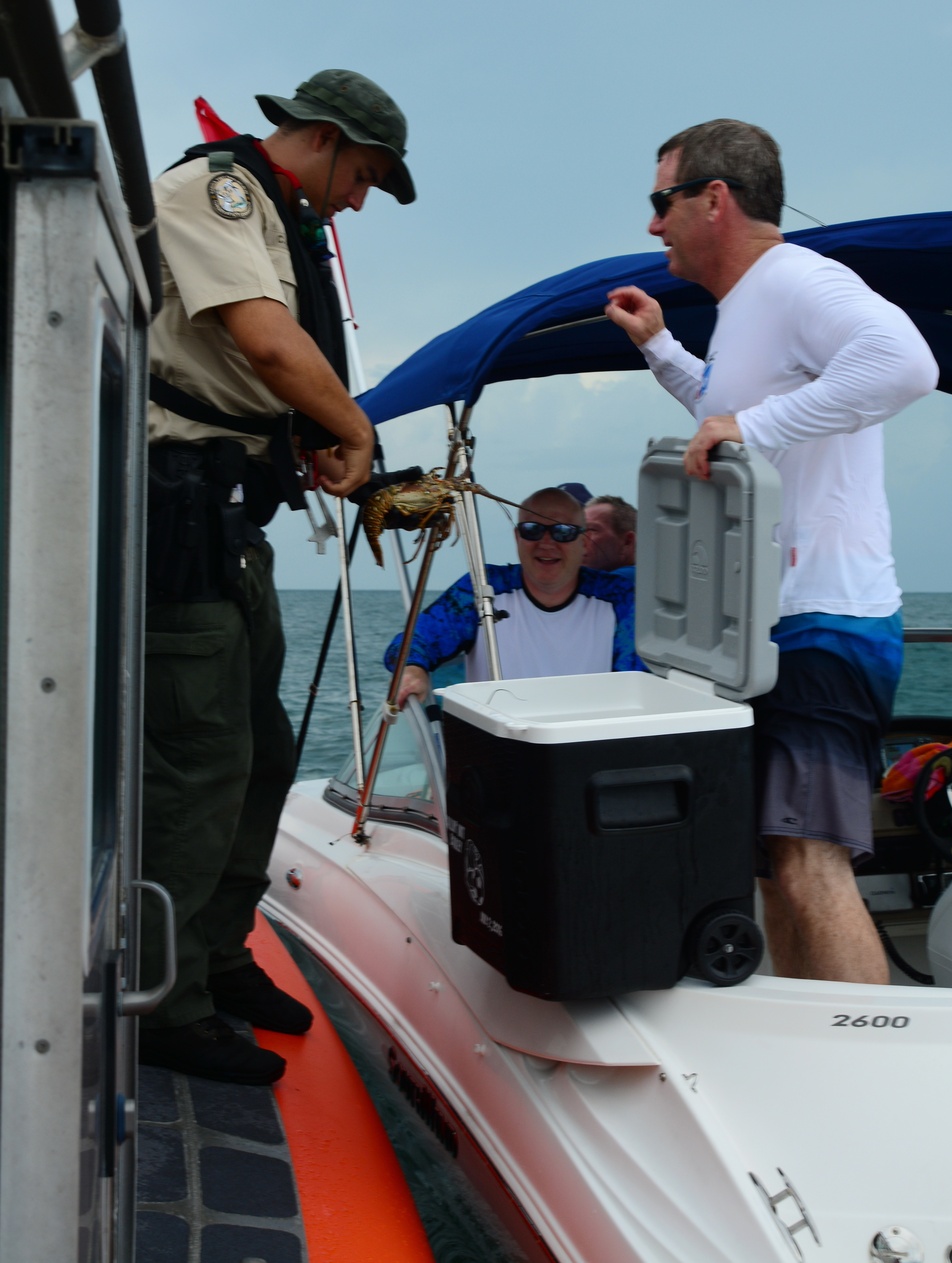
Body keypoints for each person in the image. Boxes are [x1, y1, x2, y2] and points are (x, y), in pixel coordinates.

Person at [606, 119, 938, 985]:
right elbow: (733, 427)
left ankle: (865, 1069)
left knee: (809, 861)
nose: (652, 225)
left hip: (827, 620)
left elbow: (906, 364)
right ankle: (811, 1043)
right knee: (773, 867)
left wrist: (747, 424)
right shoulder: (740, 313)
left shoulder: (797, 280)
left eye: (660, 201)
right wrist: (661, 351)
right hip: (763, 630)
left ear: (715, 199)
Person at [139, 70, 415, 1084]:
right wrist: (353, 428)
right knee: (200, 760)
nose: (355, 203)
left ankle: (213, 958)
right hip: (174, 517)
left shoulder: (273, 216)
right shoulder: (216, 192)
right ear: (329, 141)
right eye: (364, 179)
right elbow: (262, 339)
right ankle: (161, 1006)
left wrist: (315, 442)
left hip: (230, 517)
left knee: (261, 753)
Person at [387, 487, 645, 705]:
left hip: (586, 751)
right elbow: (411, 642)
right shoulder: (482, 589)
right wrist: (413, 669)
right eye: (532, 530)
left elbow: (636, 682)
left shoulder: (619, 598)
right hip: (498, 752)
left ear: (584, 542)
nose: (546, 543)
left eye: (562, 532)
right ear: (517, 537)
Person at [584, 494, 636, 572]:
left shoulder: (624, 579)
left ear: (627, 542)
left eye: (591, 530)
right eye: (578, 531)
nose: (578, 539)